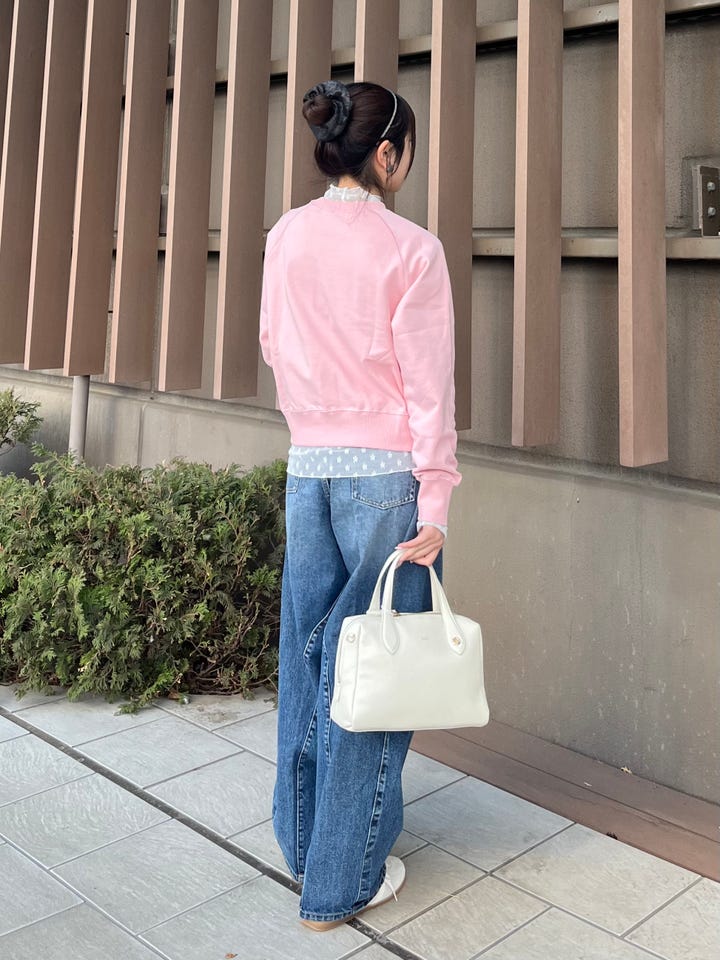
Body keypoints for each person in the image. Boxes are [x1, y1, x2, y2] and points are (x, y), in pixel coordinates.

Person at [259, 79, 461, 931]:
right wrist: (437, 496)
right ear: (386, 154)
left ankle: (307, 849)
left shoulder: (285, 236)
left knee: (309, 659)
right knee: (376, 670)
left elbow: (273, 345)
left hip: (309, 469)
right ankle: (340, 882)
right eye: (405, 150)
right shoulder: (412, 249)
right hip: (387, 479)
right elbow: (429, 387)